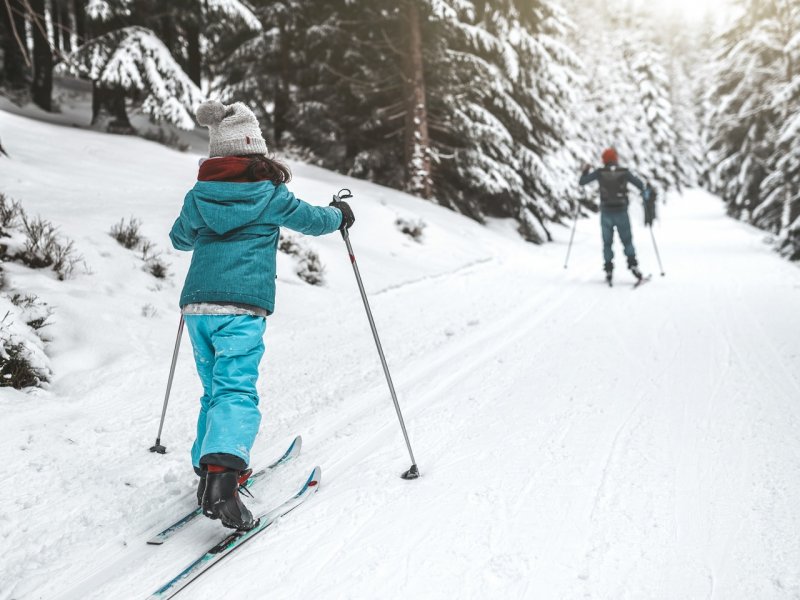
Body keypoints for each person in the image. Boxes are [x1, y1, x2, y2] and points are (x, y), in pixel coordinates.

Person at [169, 100, 355, 530]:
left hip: (197, 307)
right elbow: (314, 220)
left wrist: (199, 224)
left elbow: (180, 239)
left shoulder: (199, 196)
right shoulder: (270, 195)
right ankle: (223, 481)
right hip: (241, 308)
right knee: (236, 390)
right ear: (256, 150)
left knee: (215, 389)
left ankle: (209, 471)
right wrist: (340, 214)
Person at [579, 147, 650, 286]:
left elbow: (582, 182)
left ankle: (609, 269)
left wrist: (585, 171)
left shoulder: (600, 173)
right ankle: (633, 265)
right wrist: (645, 192)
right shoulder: (624, 172)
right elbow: (640, 185)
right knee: (627, 241)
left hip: (606, 213)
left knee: (607, 243)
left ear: (604, 160)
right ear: (616, 159)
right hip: (622, 212)